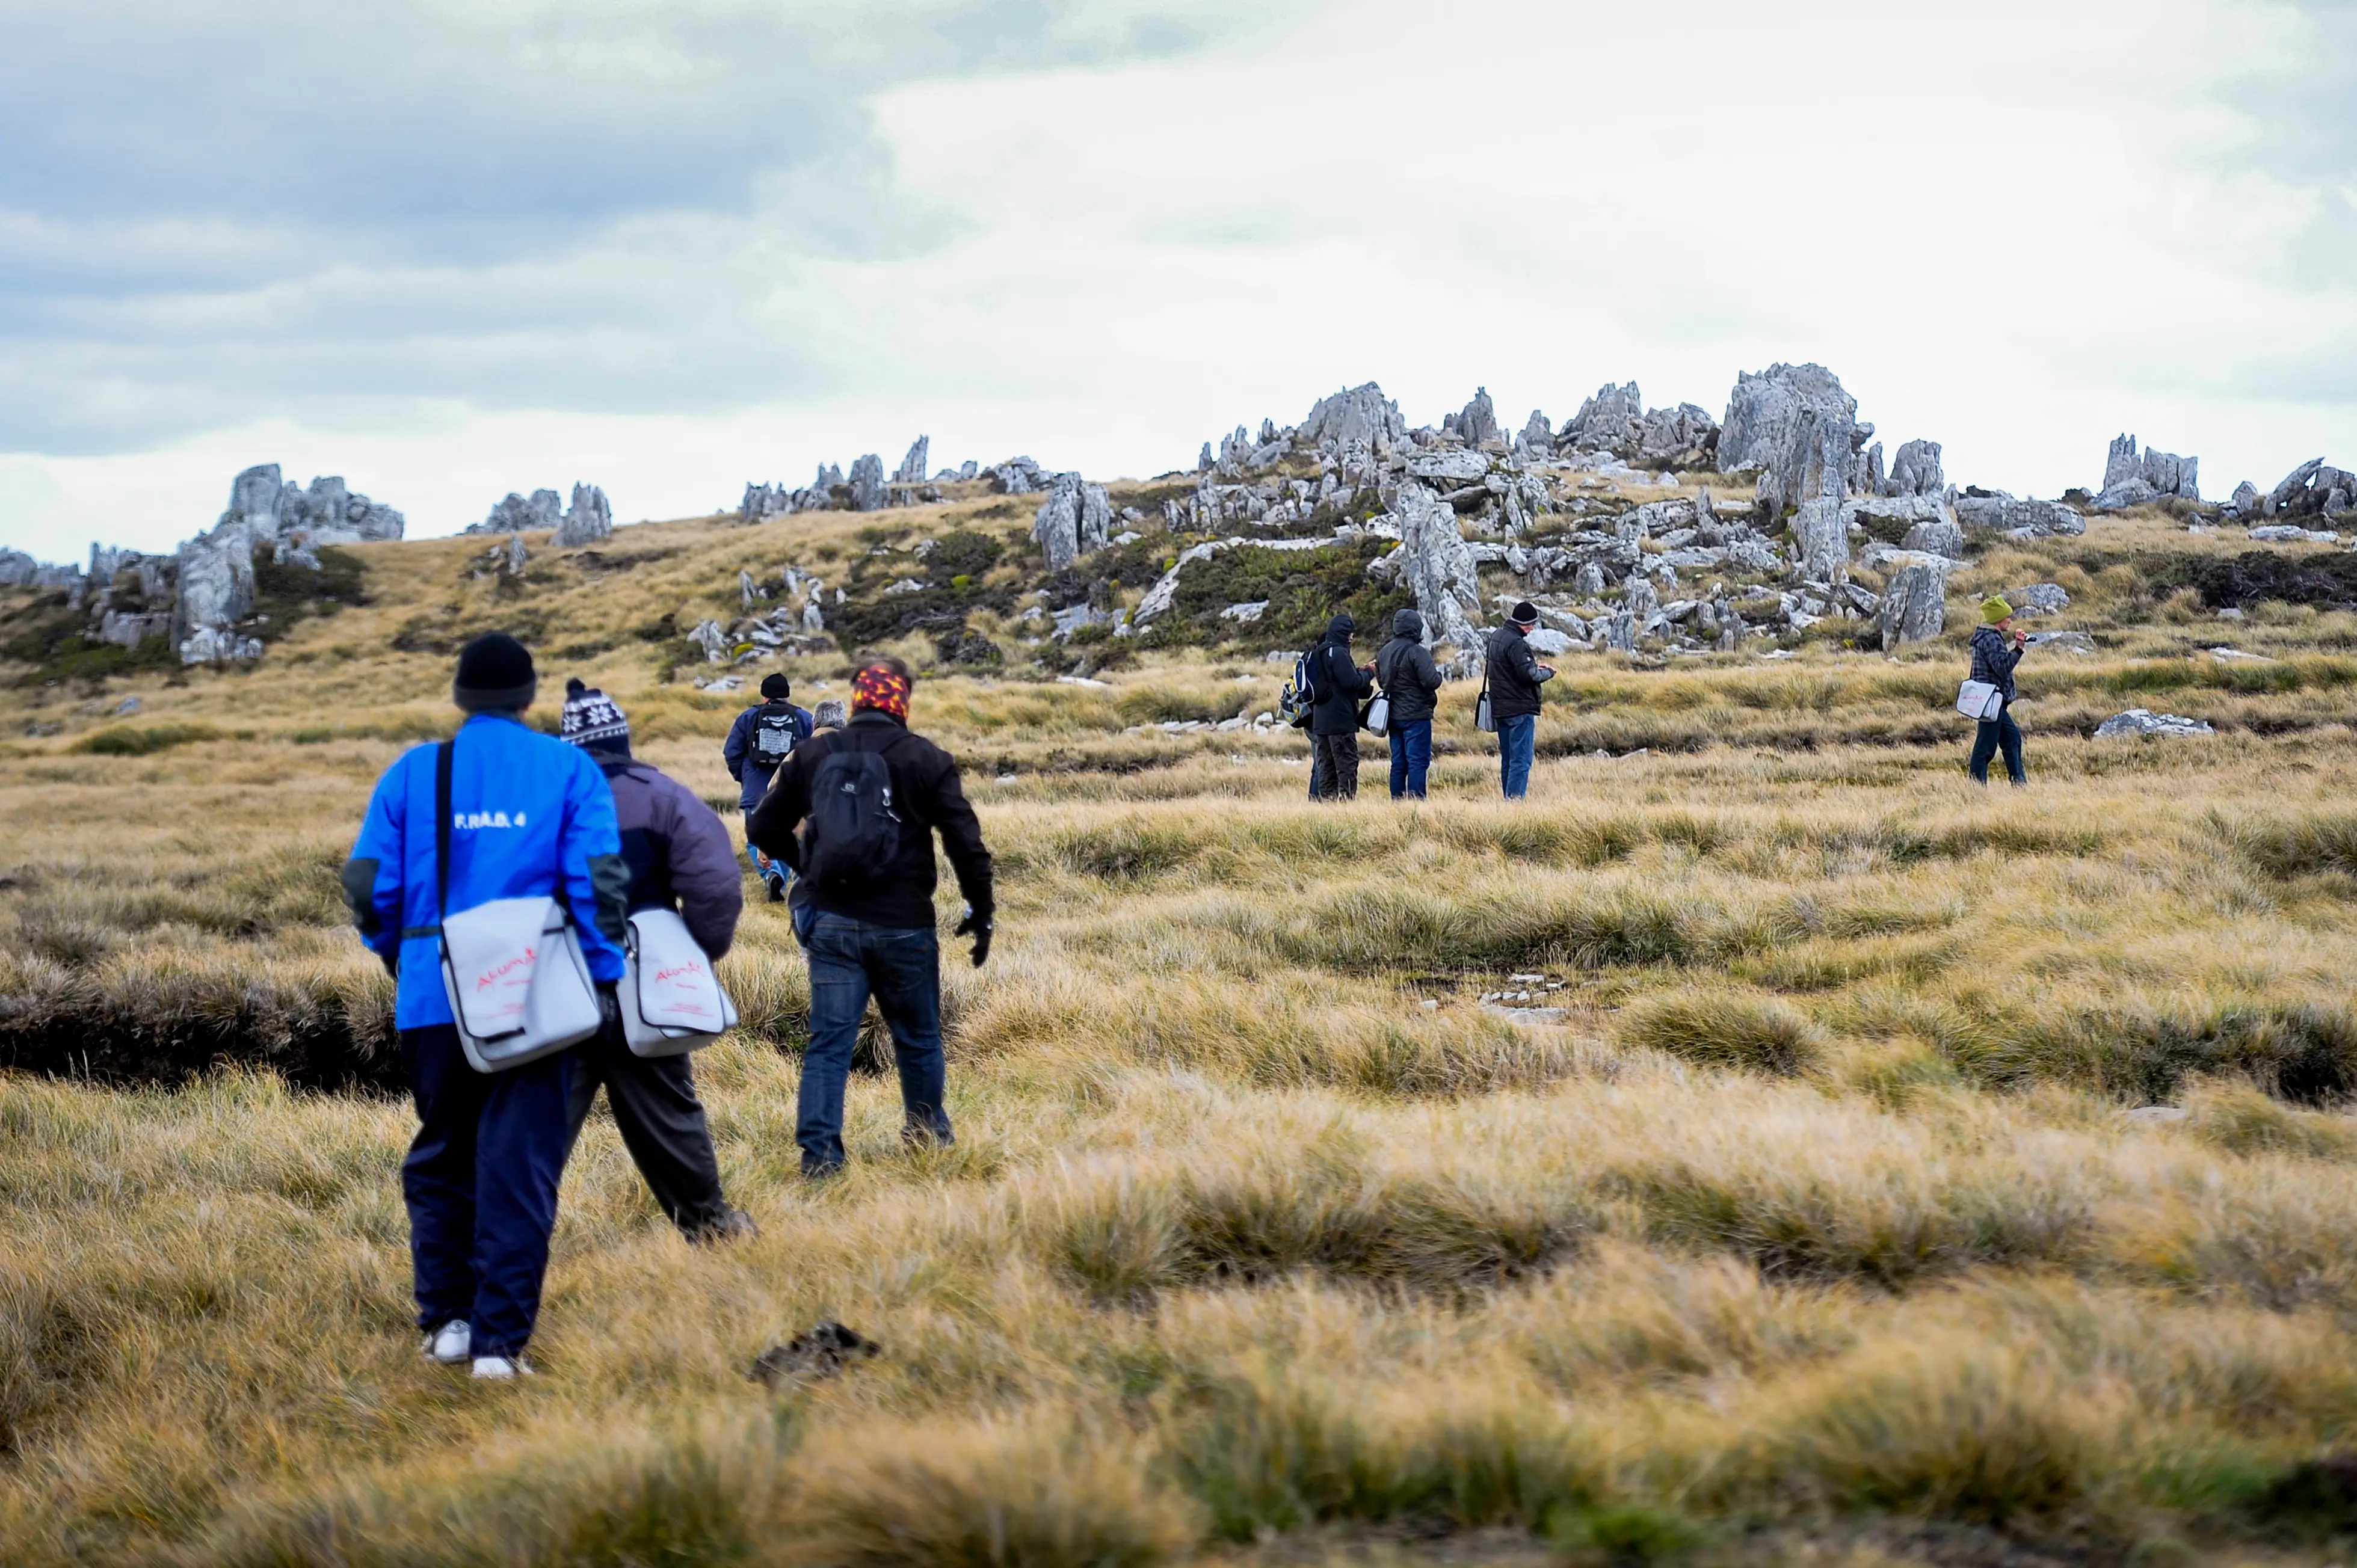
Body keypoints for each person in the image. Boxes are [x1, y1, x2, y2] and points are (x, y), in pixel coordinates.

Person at [342, 633, 628, 1380]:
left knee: (442, 1157)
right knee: (520, 1165)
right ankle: (501, 1349)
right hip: (534, 1000)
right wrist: (603, 972)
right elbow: (598, 883)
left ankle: (448, 1324)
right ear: (530, 697)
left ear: (462, 697)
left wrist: (398, 952)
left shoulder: (414, 771)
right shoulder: (569, 768)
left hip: (433, 996)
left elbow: (367, 882)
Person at [747, 659, 994, 1178]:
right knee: (919, 1036)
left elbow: (764, 826)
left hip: (832, 922)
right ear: (902, 702)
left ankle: (821, 1159)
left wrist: (804, 864)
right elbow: (965, 842)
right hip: (905, 922)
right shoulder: (926, 758)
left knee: (829, 1042)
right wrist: (980, 908)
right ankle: (927, 1140)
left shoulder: (814, 754)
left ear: (857, 700)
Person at [553, 679, 757, 1244]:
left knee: (536, 1127)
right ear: (623, 739)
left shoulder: (544, 804)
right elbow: (716, 887)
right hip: (642, 989)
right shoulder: (663, 795)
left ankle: (499, 1246)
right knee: (668, 1108)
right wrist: (691, 957)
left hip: (558, 989)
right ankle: (712, 1228)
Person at [723, 674, 814, 901]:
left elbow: (731, 752)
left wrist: (744, 777)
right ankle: (784, 876)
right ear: (787, 694)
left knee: (757, 837)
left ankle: (772, 874)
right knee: (790, 836)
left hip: (756, 790)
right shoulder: (803, 718)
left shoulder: (748, 717)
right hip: (792, 792)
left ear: (764, 696)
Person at [1486, 601, 1555, 800]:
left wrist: (1532, 665)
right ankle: (1514, 803)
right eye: (1532, 624)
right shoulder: (1517, 643)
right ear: (1523, 623)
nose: (1533, 628)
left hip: (1501, 709)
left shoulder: (1497, 637)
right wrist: (1548, 672)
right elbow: (1529, 675)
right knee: (1521, 761)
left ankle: (1509, 800)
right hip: (1519, 710)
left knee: (1508, 759)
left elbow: (1509, 669)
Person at [1306, 613, 1375, 801]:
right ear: (1343, 634)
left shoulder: (1319, 651)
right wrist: (1370, 673)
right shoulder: (1339, 652)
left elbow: (1338, 683)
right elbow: (1351, 683)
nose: (1352, 637)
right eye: (1349, 633)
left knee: (1326, 767)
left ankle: (1327, 805)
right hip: (1341, 722)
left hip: (1320, 722)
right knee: (1346, 765)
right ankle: (1346, 804)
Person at [1376, 608, 1443, 800]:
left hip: (1393, 716)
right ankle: (1416, 802)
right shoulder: (1418, 652)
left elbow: (1382, 682)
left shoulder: (1384, 651)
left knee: (1398, 762)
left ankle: (1397, 801)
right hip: (1416, 715)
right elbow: (1432, 681)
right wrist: (1438, 675)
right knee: (1417, 762)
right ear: (1416, 628)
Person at [1968, 595, 2030, 786]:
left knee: (2012, 738)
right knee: (1986, 745)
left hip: (1991, 699)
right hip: (1991, 699)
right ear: (1998, 619)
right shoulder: (1992, 639)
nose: (2010, 620)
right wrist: (2018, 649)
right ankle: (1977, 785)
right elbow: (2002, 667)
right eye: (2007, 617)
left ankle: (2018, 781)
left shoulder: (1986, 637)